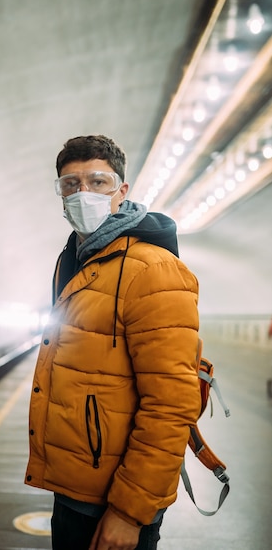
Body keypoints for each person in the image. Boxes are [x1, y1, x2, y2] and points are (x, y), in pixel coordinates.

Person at [25, 135, 201, 550]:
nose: (82, 193)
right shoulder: (77, 259)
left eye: (98, 182)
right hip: (76, 483)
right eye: (70, 185)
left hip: (114, 497)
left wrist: (129, 511)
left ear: (122, 191)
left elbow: (172, 404)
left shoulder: (154, 271)